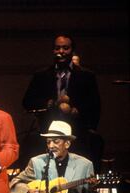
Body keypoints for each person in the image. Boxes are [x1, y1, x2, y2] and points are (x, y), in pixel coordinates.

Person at [22, 34, 102, 171]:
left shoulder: (86, 75)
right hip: (48, 130)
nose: (61, 52)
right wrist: (51, 103)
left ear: (72, 50)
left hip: (77, 132)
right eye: (57, 48)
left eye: (65, 48)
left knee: (77, 170)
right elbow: (27, 101)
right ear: (53, 50)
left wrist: (78, 110)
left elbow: (95, 105)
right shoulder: (41, 75)